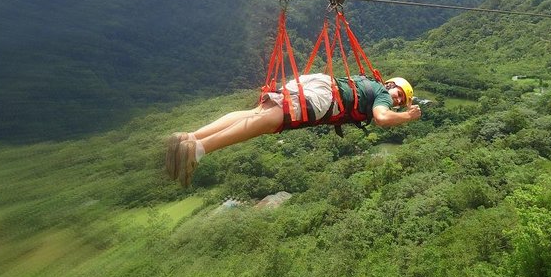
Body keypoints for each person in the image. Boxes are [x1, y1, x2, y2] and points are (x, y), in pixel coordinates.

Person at [165, 74, 422, 187]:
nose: (397, 100)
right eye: (399, 95)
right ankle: (197, 150)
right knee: (270, 122)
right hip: (325, 98)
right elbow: (381, 118)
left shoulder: (368, 82)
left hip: (318, 84)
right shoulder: (382, 96)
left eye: (401, 100)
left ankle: (190, 137)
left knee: (258, 114)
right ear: (390, 86)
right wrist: (407, 117)